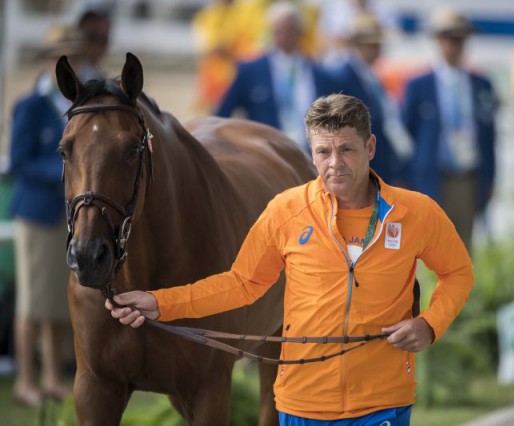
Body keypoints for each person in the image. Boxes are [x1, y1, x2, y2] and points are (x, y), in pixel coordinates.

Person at [107, 94, 474, 423]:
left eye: (346, 149)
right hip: (302, 405)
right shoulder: (285, 210)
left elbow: (457, 272)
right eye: (323, 152)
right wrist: (159, 302)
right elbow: (242, 284)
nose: (335, 164)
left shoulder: (416, 212)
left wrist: (429, 324)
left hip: (383, 402)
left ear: (371, 147)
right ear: (311, 151)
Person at [8, 25, 82, 406]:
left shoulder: (71, 103)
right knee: (32, 304)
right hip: (37, 213)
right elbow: (19, 162)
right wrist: (66, 174)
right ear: (47, 60)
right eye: (59, 55)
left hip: (65, 215)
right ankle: (26, 379)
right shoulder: (31, 105)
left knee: (55, 301)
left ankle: (53, 376)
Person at [402, 8, 496, 251]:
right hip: (433, 175)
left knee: (463, 248)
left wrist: (491, 178)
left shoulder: (481, 84)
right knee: (427, 247)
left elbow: (489, 135)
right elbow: (407, 134)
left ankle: (461, 291)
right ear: (438, 41)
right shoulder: (418, 85)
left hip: (469, 176)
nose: (454, 45)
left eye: (459, 38)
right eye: (448, 38)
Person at [216, 0, 337, 152]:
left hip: (310, 157)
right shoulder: (250, 71)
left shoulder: (320, 73)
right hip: (267, 158)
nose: (285, 37)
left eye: (291, 31)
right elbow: (222, 115)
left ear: (301, 34)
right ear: (271, 32)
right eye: (280, 31)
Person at [329, 13, 413, 185]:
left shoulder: (372, 77)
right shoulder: (341, 78)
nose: (377, 48)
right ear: (356, 46)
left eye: (377, 44)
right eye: (371, 44)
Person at [76, 8, 111, 82]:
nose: (98, 45)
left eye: (104, 40)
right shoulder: (66, 76)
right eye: (92, 37)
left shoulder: (100, 78)